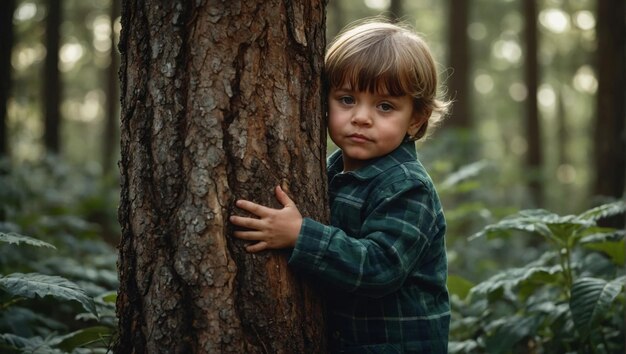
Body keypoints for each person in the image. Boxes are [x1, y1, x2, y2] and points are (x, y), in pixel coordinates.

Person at [229, 19, 450, 353]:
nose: (361, 117)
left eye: (385, 106)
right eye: (347, 99)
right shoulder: (330, 170)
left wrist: (301, 235)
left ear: (415, 119)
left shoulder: (407, 186)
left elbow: (379, 267)